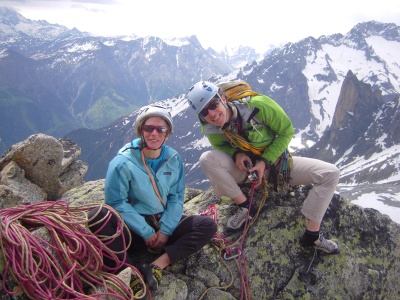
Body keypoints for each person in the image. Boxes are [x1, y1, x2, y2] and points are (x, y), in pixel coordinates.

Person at [186, 80, 340, 254]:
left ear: (223, 98)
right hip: (246, 170)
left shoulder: (258, 106)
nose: (212, 114)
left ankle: (312, 235)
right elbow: (221, 148)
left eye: (213, 104)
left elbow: (286, 131)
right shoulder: (211, 129)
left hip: (278, 166)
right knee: (207, 158)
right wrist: (236, 155)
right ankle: (246, 207)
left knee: (330, 173)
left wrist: (264, 161)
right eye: (204, 112)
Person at [88, 105, 217, 296]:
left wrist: (165, 230)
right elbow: (116, 202)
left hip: (161, 222)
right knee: (99, 216)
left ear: (168, 133)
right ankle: (129, 271)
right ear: (141, 130)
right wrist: (146, 231)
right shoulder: (123, 162)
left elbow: (176, 197)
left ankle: (157, 265)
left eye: (160, 129)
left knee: (207, 225)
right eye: (148, 128)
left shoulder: (173, 159)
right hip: (134, 228)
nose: (154, 134)